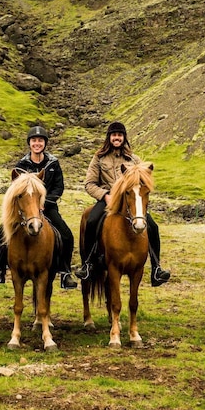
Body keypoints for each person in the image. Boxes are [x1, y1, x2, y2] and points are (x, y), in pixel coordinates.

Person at [74, 121, 171, 287]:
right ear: (109, 138)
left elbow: (142, 184)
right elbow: (89, 184)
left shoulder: (134, 160)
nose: (116, 138)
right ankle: (88, 264)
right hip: (107, 201)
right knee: (91, 221)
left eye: (119, 135)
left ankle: (156, 268)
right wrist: (105, 196)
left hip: (130, 202)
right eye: (114, 135)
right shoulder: (99, 157)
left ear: (124, 138)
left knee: (153, 227)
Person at [0, 126, 78, 290]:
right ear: (29, 143)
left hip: (47, 207)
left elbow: (59, 187)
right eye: (34, 140)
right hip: (25, 211)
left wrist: (45, 202)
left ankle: (65, 272)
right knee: (1, 231)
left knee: (66, 235)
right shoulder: (22, 165)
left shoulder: (53, 163)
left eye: (40, 140)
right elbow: (15, 189)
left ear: (45, 143)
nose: (37, 143)